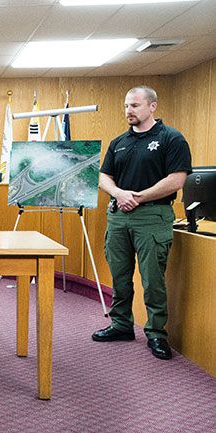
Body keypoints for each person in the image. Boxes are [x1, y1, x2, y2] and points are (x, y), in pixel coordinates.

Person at [92, 85, 192, 360]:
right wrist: (119, 194)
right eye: (126, 106)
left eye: (135, 105)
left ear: (152, 106)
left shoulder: (172, 139)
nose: (128, 111)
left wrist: (139, 197)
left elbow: (177, 179)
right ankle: (121, 324)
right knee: (120, 276)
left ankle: (157, 334)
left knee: (152, 279)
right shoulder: (119, 142)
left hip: (152, 216)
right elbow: (104, 177)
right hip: (118, 215)